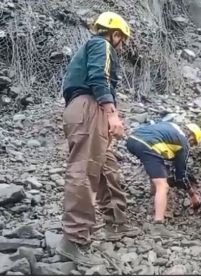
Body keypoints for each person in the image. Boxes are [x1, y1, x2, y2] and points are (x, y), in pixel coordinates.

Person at [56, 12, 140, 266]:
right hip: (89, 108)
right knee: (84, 172)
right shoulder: (101, 44)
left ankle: (114, 222)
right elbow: (99, 78)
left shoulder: (93, 47)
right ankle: (74, 240)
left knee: (104, 167)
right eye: (122, 40)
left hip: (87, 110)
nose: (122, 45)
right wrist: (111, 114)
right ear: (114, 34)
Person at [126, 122, 201, 237]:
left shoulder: (171, 126)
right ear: (191, 136)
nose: (191, 145)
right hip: (148, 145)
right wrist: (192, 195)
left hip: (132, 139)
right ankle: (158, 225)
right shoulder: (183, 142)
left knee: (157, 173)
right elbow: (180, 176)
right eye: (193, 142)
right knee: (163, 185)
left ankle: (153, 203)